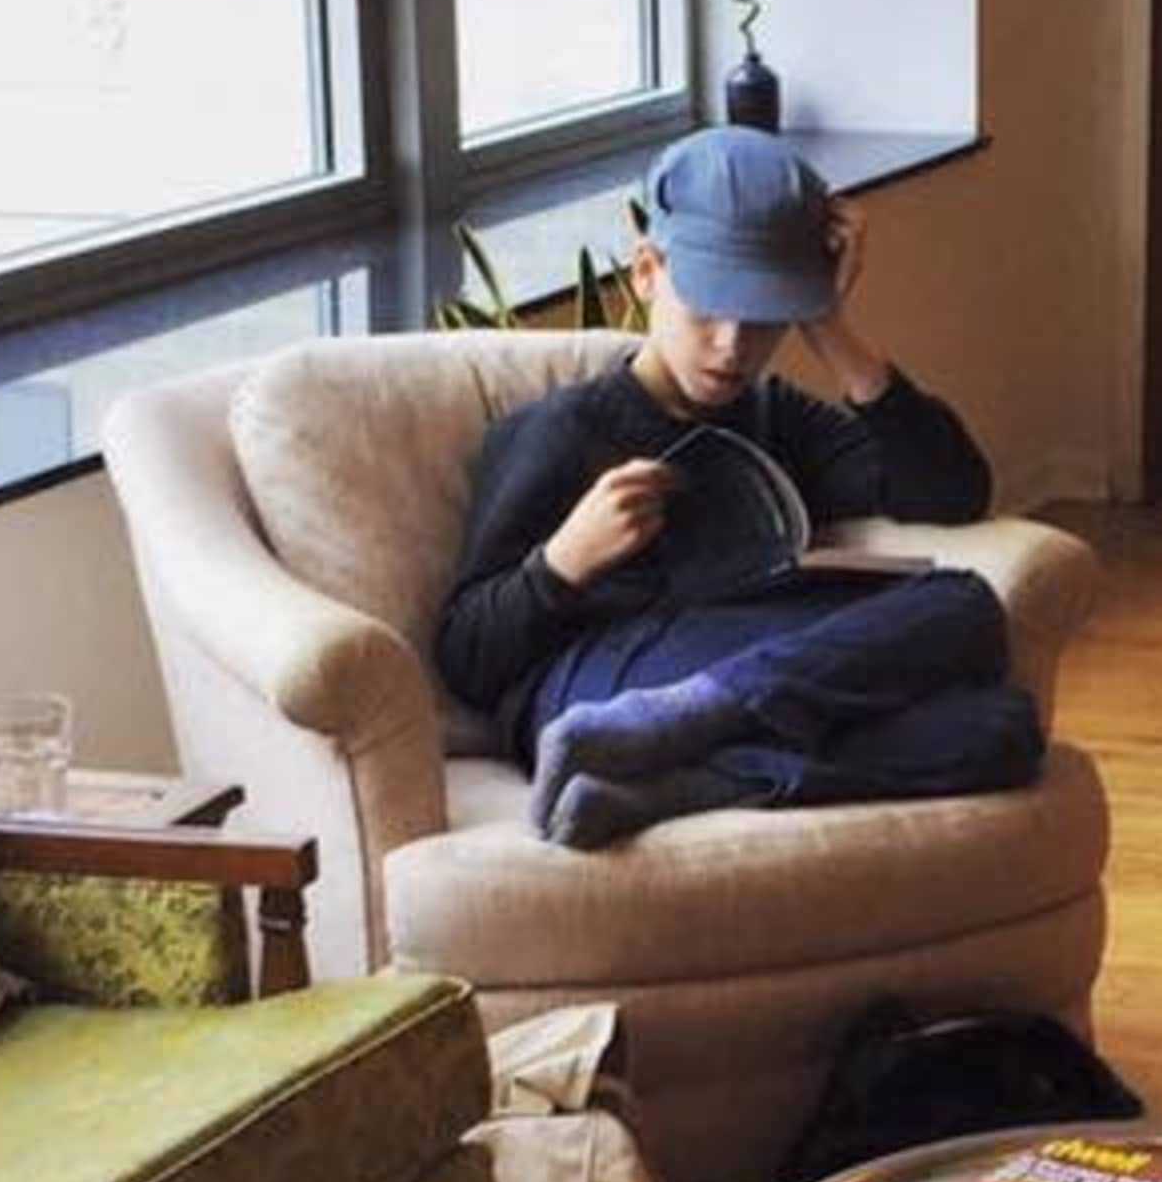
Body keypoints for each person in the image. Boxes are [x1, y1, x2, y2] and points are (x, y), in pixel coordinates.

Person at [430, 126, 1041, 851]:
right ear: (647, 273)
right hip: (597, 679)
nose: (730, 346)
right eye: (707, 312)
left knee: (998, 717)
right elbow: (465, 656)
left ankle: (684, 776)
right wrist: (563, 560)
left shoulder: (770, 413)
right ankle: (668, 727)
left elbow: (949, 491)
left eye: (762, 320)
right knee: (966, 636)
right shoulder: (562, 429)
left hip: (743, 656)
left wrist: (828, 321)